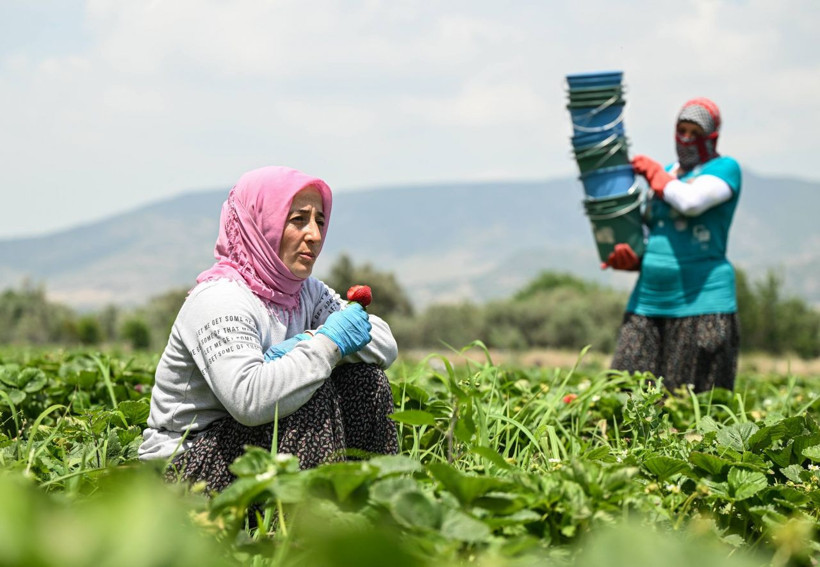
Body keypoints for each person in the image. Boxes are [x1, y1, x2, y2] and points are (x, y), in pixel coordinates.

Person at [139, 166, 399, 493]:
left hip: (254, 448)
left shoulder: (306, 293)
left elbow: (384, 345)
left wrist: (313, 341)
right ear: (259, 225)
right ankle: (305, 533)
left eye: (320, 220)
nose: (315, 235)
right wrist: (325, 343)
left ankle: (374, 510)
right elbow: (251, 401)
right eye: (298, 220)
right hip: (186, 464)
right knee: (307, 389)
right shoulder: (220, 299)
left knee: (366, 380)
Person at [602, 97, 742, 393]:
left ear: (712, 137)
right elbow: (651, 232)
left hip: (701, 303)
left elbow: (690, 202)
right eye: (682, 130)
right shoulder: (667, 175)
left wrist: (653, 173)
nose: (687, 139)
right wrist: (631, 257)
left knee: (687, 404)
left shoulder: (724, 169)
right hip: (648, 301)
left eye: (696, 133)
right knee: (623, 394)